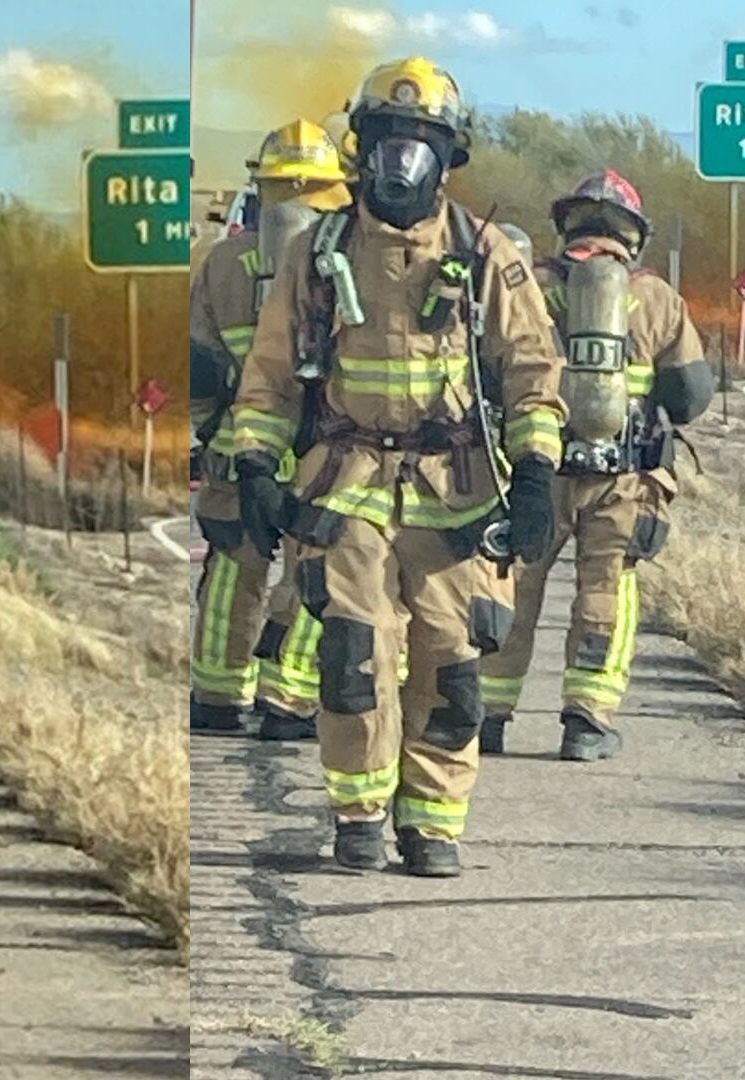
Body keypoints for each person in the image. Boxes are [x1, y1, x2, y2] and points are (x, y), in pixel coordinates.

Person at [227, 57, 566, 877]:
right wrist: (256, 466)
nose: (402, 161)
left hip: (456, 495)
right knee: (353, 654)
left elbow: (531, 372)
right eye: (388, 140)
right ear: (362, 146)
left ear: (449, 156)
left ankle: (433, 823)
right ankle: (357, 813)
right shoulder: (317, 252)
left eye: (422, 144)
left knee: (452, 663)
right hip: (344, 488)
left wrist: (535, 475)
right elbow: (270, 375)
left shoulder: (487, 256)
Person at [478, 170, 713, 762]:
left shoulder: (529, 287)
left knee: (513, 583)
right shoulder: (657, 299)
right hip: (624, 479)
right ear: (633, 236)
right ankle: (588, 721)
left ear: (566, 226)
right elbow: (689, 398)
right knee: (606, 591)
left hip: (538, 467)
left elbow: (488, 368)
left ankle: (487, 714)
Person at [189, 119, 350, 733]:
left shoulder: (223, 262)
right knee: (321, 567)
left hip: (240, 448)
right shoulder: (347, 260)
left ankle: (217, 695)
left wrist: (211, 436)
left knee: (234, 567)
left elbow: (201, 369)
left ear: (264, 188)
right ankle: (287, 700)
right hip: (324, 452)